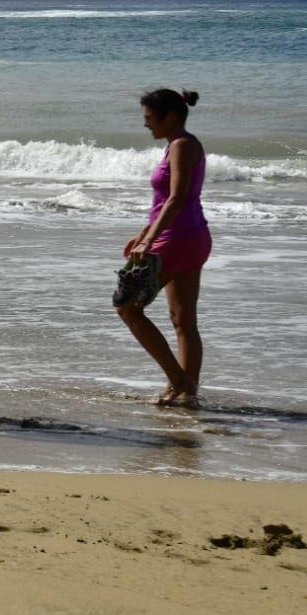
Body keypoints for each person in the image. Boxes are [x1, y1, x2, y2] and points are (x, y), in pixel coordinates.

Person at [117, 88, 209, 406]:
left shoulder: (182, 145)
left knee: (127, 306)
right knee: (183, 320)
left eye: (149, 118)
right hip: (190, 236)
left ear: (170, 117)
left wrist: (149, 239)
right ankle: (187, 393)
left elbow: (177, 198)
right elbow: (162, 202)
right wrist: (143, 231)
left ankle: (179, 381)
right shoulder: (176, 145)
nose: (145, 125)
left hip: (178, 239)